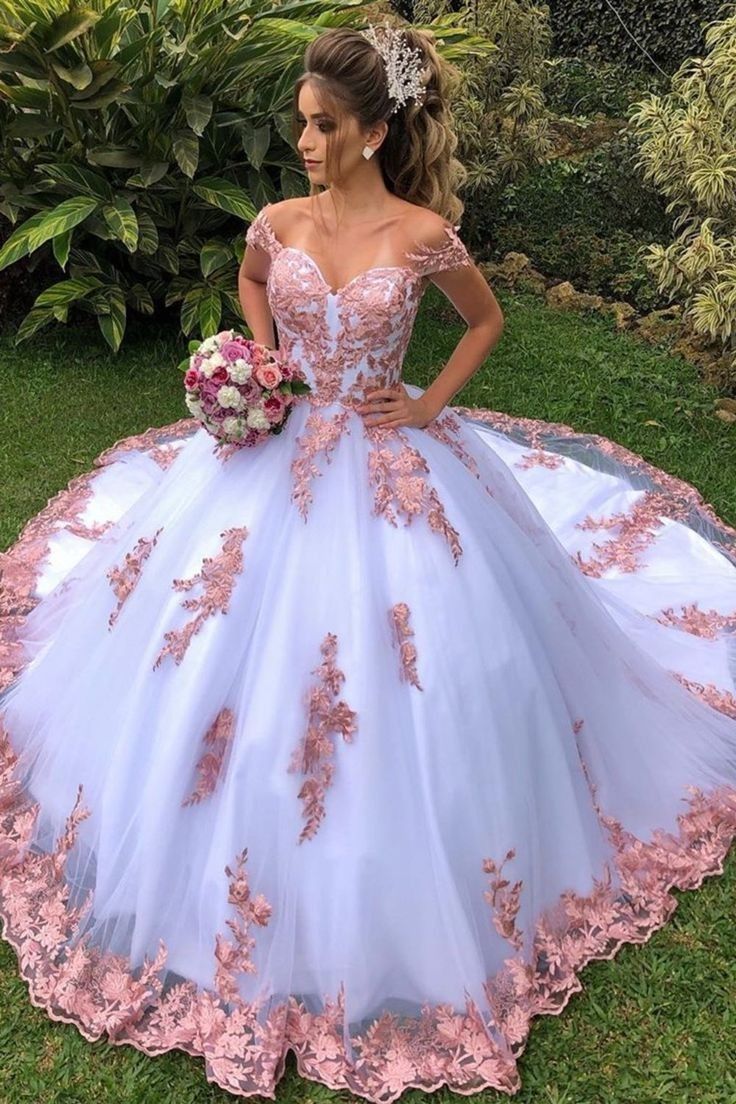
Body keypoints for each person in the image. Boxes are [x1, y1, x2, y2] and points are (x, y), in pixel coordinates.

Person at [1, 20, 735, 1104]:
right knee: (199, 632)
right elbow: (255, 281)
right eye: (300, 123)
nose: (304, 142)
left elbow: (483, 323)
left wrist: (429, 406)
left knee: (421, 663)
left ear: (375, 132)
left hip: (392, 461)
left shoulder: (422, 233)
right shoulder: (279, 220)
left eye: (323, 125)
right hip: (277, 452)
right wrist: (262, 365)